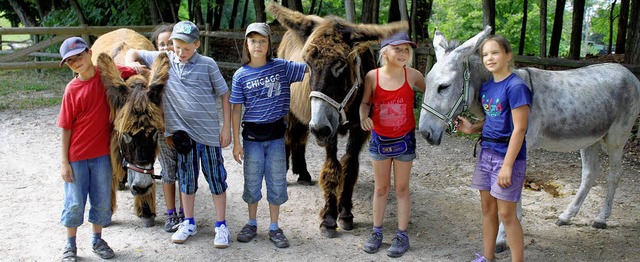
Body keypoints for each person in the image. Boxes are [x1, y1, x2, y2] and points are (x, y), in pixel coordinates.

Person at [125, 20, 232, 247]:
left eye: (186, 47)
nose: (181, 52)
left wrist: (226, 128)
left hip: (209, 136)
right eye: (176, 46)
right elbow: (133, 52)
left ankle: (221, 225)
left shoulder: (208, 64)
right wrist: (133, 66)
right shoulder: (165, 60)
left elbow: (224, 93)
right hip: (184, 138)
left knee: (216, 181)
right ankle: (188, 222)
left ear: (197, 44)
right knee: (186, 181)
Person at [58, 36, 136, 261]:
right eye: (70, 61)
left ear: (89, 52)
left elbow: (126, 72)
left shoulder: (105, 77)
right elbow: (65, 128)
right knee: (74, 202)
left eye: (79, 56)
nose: (76, 62)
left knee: (102, 199)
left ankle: (97, 239)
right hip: (77, 156)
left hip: (102, 155)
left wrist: (136, 68)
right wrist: (64, 162)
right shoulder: (72, 89)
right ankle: (70, 244)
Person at [230, 22, 307, 248]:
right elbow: (236, 109)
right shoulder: (240, 75)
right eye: (253, 41)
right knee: (252, 183)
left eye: (262, 41)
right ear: (247, 44)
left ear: (269, 44)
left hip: (276, 139)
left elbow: (311, 67)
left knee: (276, 183)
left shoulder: (282, 68)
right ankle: (252, 222)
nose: (258, 45)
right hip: (252, 139)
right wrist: (236, 142)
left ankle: (274, 227)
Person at [455, 35, 530, 262]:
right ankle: (487, 258)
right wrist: (472, 129)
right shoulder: (487, 87)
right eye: (485, 54)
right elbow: (493, 120)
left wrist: (507, 166)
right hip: (486, 154)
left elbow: (519, 129)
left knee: (507, 214)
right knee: (488, 210)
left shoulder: (516, 87)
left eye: (495, 52)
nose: (489, 58)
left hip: (508, 158)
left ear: (508, 56)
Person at [359, 32, 425, 258]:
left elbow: (436, 94)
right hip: (380, 140)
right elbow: (365, 103)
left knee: (402, 188)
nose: (403, 53)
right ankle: (376, 232)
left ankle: (402, 235)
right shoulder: (372, 77)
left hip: (405, 140)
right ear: (385, 52)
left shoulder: (413, 75)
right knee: (380, 188)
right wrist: (363, 117)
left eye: (407, 49)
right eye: (398, 49)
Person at [150, 23, 186, 233]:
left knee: (185, 171)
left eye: (169, 43)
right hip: (164, 132)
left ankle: (184, 211)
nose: (165, 47)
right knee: (167, 171)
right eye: (161, 44)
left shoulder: (183, 67)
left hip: (185, 130)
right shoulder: (153, 72)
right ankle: (171, 212)